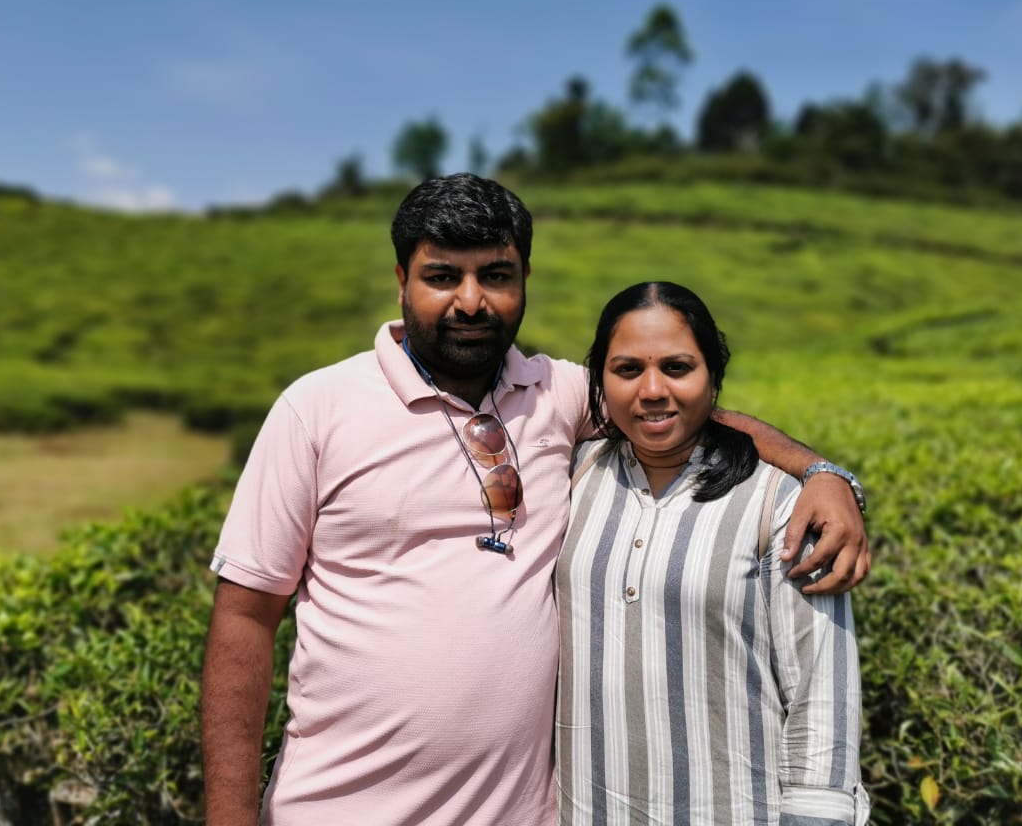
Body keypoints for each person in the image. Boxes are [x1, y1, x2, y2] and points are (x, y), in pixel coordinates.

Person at [201, 174, 869, 826]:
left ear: (524, 278)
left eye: (495, 275)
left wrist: (821, 473)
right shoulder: (317, 410)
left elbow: (673, 409)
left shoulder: (557, 392)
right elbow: (245, 619)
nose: (471, 301)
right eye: (442, 276)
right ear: (401, 279)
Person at [555, 281, 868, 825]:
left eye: (677, 368)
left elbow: (821, 690)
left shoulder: (780, 504)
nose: (653, 390)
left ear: (714, 377)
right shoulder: (573, 477)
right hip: (585, 810)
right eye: (627, 369)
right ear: (600, 381)